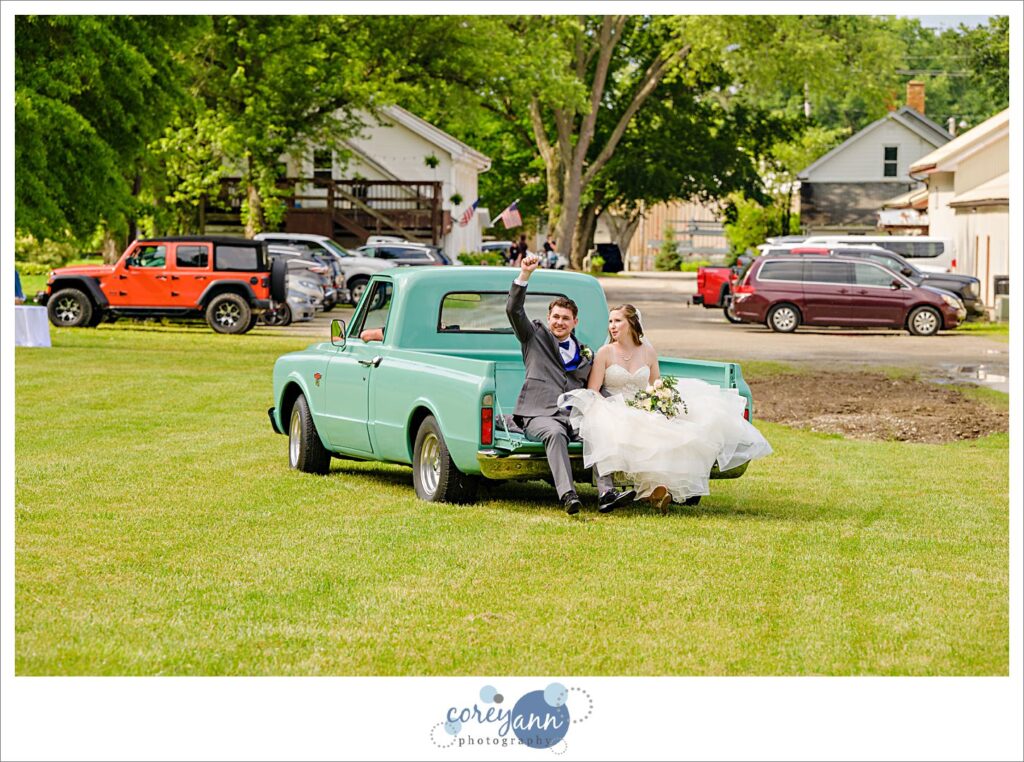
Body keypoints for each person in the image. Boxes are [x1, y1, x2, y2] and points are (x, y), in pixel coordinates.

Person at [559, 304, 772, 513]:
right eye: (610, 322)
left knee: (673, 430)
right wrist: (608, 408)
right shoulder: (605, 352)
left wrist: (658, 403)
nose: (612, 326)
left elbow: (656, 386)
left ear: (632, 323)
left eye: (617, 321)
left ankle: (661, 489)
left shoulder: (648, 352)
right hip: (611, 405)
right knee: (613, 427)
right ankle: (614, 493)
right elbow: (593, 390)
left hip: (641, 405)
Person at [506, 255, 636, 515]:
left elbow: (594, 387)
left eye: (565, 318)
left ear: (575, 322)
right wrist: (524, 275)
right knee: (554, 434)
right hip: (539, 414)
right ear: (548, 317)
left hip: (575, 416)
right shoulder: (534, 337)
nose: (559, 322)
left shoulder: (586, 352)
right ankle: (568, 495)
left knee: (598, 429)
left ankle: (606, 493)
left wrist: (623, 406)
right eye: (555, 317)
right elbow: (514, 310)